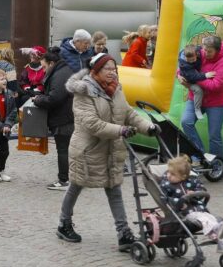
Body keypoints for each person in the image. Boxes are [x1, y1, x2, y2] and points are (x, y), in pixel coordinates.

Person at [57, 53, 159, 248]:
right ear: (96, 71)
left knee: (114, 189)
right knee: (76, 185)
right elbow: (92, 124)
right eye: (108, 69)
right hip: (88, 150)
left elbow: (127, 112)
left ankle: (124, 233)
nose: (113, 73)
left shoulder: (116, 89)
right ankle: (64, 223)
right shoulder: (83, 92)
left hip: (111, 149)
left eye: (115, 69)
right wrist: (120, 130)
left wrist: (149, 127)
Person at [159, 155, 223, 254]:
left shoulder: (191, 181)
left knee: (210, 217)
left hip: (198, 209)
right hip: (184, 214)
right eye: (168, 172)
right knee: (204, 219)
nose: (168, 175)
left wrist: (193, 194)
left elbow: (202, 189)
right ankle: (217, 231)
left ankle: (220, 240)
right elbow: (165, 199)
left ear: (183, 176)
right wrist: (180, 202)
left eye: (172, 174)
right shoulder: (167, 184)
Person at [178, 36, 223, 159]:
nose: (205, 53)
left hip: (216, 102)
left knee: (214, 135)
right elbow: (183, 65)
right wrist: (179, 75)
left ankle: (217, 163)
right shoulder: (200, 52)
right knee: (186, 122)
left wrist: (196, 79)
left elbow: (216, 85)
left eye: (210, 52)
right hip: (196, 97)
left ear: (217, 50)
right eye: (204, 50)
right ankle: (200, 153)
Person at [33, 48, 74, 190]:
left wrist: (38, 99)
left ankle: (64, 181)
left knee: (62, 150)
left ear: (51, 63)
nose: (43, 70)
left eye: (44, 67)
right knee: (68, 149)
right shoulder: (63, 71)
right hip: (67, 116)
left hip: (63, 118)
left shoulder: (59, 75)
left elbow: (54, 98)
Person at [178, 44, 216, 121]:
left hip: (194, 72)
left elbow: (201, 47)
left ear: (197, 54)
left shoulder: (197, 50)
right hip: (188, 79)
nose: (191, 62)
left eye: (193, 59)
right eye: (189, 60)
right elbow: (194, 76)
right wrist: (205, 75)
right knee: (198, 90)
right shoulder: (184, 65)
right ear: (185, 57)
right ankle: (197, 109)